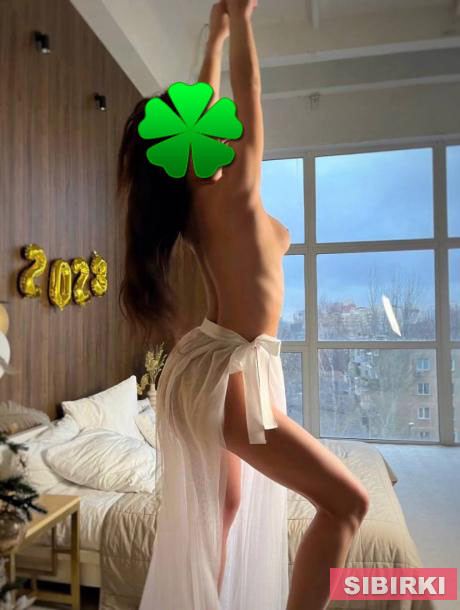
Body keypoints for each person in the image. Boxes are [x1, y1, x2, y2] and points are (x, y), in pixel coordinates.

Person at [117, 1, 370, 608]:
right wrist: (243, 19)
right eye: (209, 125)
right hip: (226, 369)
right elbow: (248, 91)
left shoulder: (203, 198)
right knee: (347, 503)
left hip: (216, 364)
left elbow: (206, 102)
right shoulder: (230, 189)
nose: (226, 124)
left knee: (225, 510)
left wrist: (217, 35)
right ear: (193, 149)